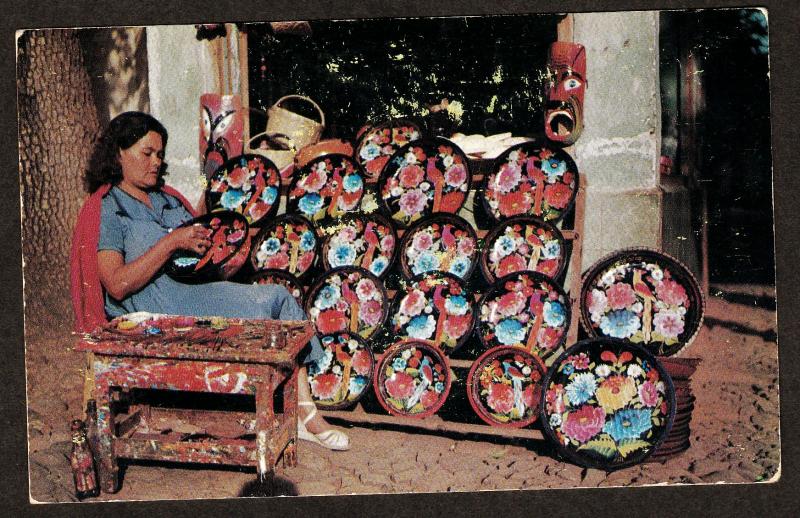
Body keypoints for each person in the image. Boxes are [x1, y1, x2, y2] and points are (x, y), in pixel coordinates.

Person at [80, 111, 348, 451]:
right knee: (273, 299)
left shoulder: (167, 198)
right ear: (119, 152)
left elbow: (195, 259)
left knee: (277, 297)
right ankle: (305, 414)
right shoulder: (109, 209)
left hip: (191, 291)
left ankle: (301, 409)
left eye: (160, 154)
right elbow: (116, 284)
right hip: (158, 308)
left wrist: (223, 251)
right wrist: (172, 243)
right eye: (146, 153)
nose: (156, 162)